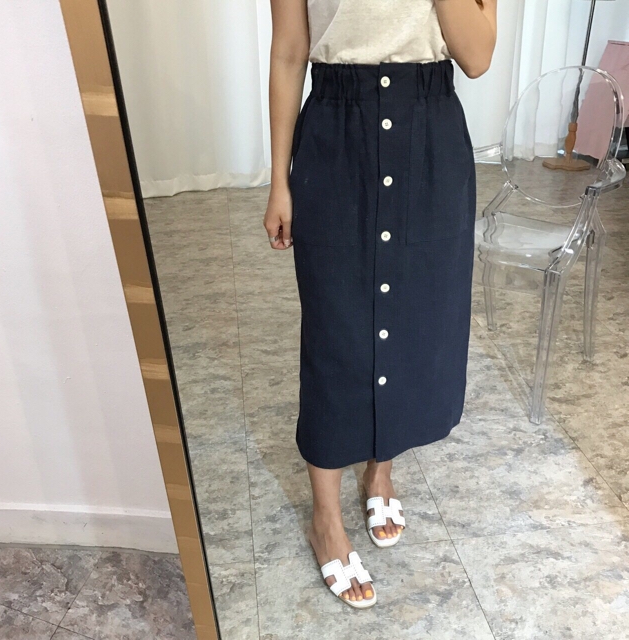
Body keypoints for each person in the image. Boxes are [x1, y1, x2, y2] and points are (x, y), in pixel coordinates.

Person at [264, 0, 497, 608]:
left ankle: (381, 469)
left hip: (430, 133)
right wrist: (279, 180)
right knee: (335, 329)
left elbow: (477, 56)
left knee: (414, 320)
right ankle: (325, 519)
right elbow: (289, 52)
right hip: (334, 130)